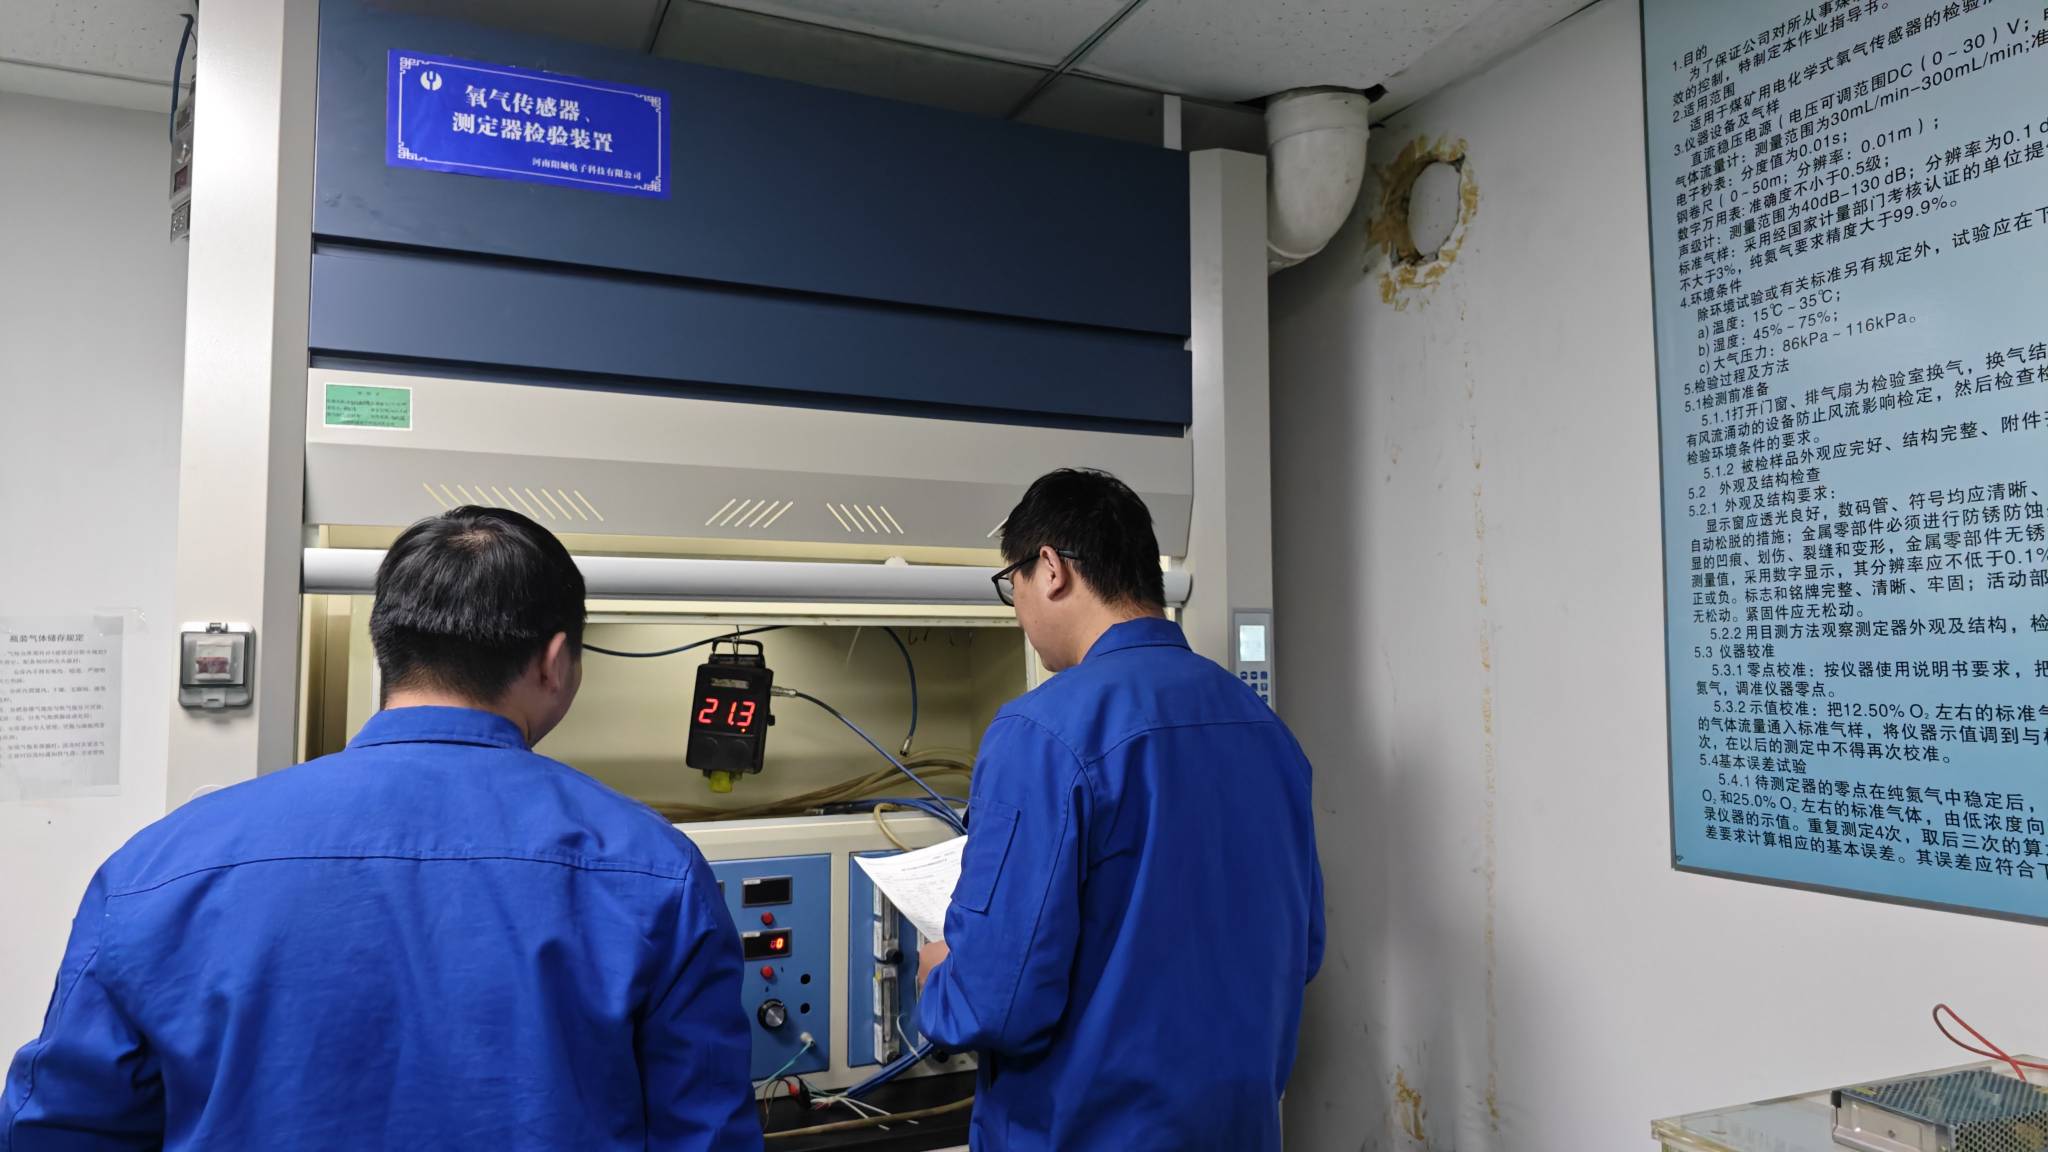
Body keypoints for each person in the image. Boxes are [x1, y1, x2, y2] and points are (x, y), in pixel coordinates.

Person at [1, 506, 760, 1151]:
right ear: (556, 661)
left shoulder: (161, 867)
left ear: (389, 649)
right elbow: (704, 1136)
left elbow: (57, 1129)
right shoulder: (654, 870)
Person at [916, 469, 1324, 1150]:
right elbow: (1300, 952)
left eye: (1012, 584)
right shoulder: (1266, 731)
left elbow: (996, 1003)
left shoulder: (1040, 733)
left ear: (1050, 569)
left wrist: (939, 977)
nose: (1017, 610)